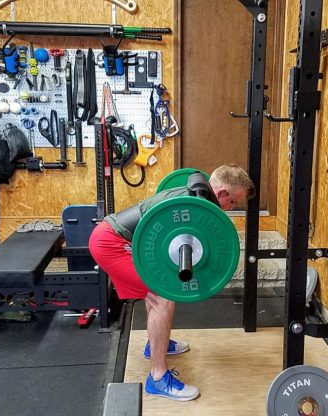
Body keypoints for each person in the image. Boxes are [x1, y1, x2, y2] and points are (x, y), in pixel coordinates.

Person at [89, 164, 255, 401]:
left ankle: (157, 344)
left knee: (159, 290)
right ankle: (157, 378)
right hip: (111, 243)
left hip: (114, 237)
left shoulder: (195, 192)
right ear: (222, 194)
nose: (231, 209)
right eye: (234, 203)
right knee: (162, 296)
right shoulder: (193, 201)